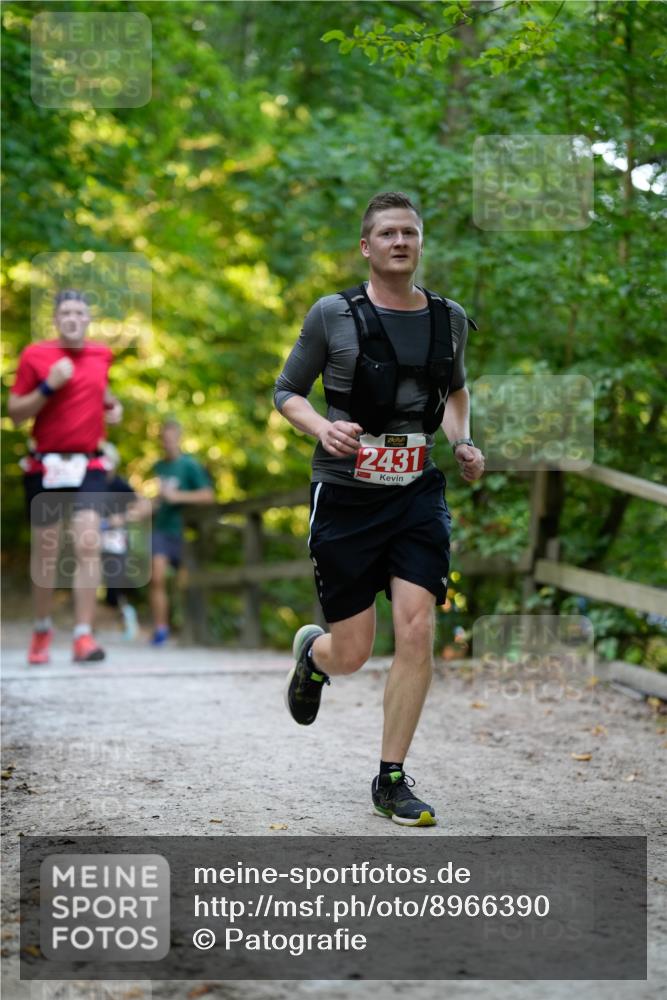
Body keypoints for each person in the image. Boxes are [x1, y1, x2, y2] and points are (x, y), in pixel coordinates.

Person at [274, 191, 485, 827]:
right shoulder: (332, 315)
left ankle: (390, 778)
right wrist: (320, 428)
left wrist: (463, 441)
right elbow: (287, 390)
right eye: (388, 233)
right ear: (367, 247)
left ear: (420, 245)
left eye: (411, 234)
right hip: (346, 495)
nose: (401, 242)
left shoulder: (448, 318)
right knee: (356, 650)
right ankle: (316, 656)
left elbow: (455, 390)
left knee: (418, 625)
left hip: (417, 492)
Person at [8, 289, 123, 664]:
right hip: (46, 465)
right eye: (66, 313)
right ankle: (42, 629)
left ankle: (83, 636)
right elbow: (15, 413)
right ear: (56, 320)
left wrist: (112, 404)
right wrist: (48, 386)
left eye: (79, 313)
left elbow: (98, 388)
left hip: (88, 464)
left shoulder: (101, 354)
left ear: (88, 319)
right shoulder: (35, 356)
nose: (73, 319)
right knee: (47, 551)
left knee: (88, 543)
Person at [149, 419, 214, 645]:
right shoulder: (158, 467)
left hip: (184, 532)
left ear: (178, 438)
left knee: (184, 583)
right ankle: (161, 630)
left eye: (171, 439)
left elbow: (208, 495)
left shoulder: (190, 466)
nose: (167, 444)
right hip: (161, 528)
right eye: (163, 440)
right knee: (156, 577)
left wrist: (178, 497)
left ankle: (190, 630)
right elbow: (157, 498)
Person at [100, 442, 139, 640]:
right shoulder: (91, 482)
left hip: (116, 540)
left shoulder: (121, 485)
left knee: (114, 586)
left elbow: (140, 508)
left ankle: (127, 618)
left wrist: (120, 519)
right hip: (91, 539)